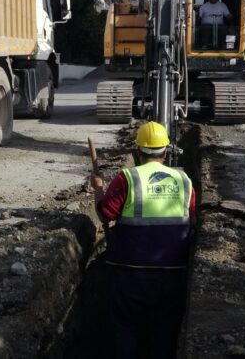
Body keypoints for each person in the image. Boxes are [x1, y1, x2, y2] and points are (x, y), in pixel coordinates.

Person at [89, 121, 196, 359]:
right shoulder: (184, 180)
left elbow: (106, 214)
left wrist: (98, 188)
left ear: (138, 151)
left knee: (126, 330)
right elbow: (193, 220)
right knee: (164, 333)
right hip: (172, 273)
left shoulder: (127, 178)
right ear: (166, 151)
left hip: (129, 275)